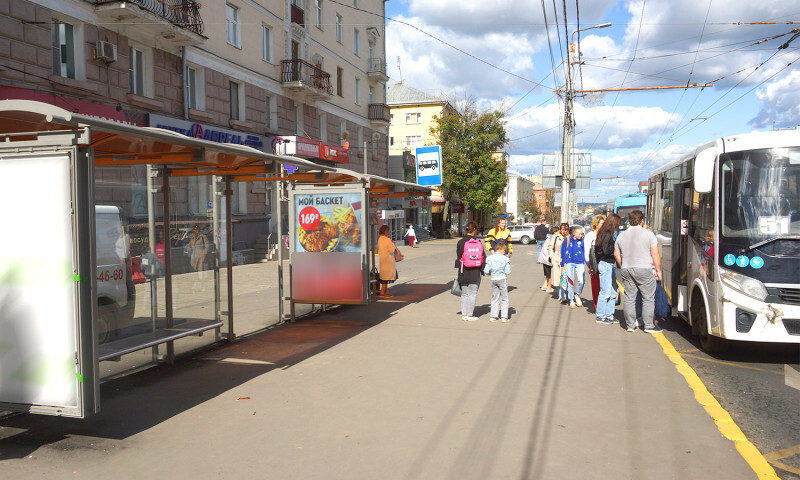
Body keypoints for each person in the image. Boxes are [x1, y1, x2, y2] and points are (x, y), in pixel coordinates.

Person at [614, 210, 663, 333]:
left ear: (629, 221)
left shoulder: (621, 235)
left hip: (626, 269)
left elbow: (616, 253)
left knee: (629, 297)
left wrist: (623, 265)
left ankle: (630, 325)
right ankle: (648, 326)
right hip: (644, 269)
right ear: (642, 221)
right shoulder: (648, 234)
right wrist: (658, 270)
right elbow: (655, 253)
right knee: (648, 298)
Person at [455, 221, 486, 321]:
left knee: (464, 293)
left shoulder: (460, 242)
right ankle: (470, 314)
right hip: (475, 271)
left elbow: (459, 256)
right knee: (473, 293)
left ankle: (464, 314)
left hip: (463, 270)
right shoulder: (477, 242)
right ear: (475, 230)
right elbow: (483, 257)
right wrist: (482, 269)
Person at [594, 213, 621, 325]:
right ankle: (600, 315)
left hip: (609, 264)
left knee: (613, 291)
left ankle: (609, 315)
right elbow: (606, 250)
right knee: (605, 291)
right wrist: (616, 250)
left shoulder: (606, 233)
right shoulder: (607, 234)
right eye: (618, 223)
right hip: (606, 264)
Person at [484, 242, 511, 323]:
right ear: (502, 249)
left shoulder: (489, 258)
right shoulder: (505, 259)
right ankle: (504, 317)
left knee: (494, 298)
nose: (505, 252)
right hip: (502, 278)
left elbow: (486, 270)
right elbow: (508, 271)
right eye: (505, 251)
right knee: (504, 298)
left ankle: (493, 316)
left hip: (493, 279)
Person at [560, 225, 586, 308]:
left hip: (579, 263)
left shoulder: (582, 241)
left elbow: (585, 252)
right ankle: (571, 300)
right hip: (569, 262)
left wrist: (586, 263)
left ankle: (577, 295)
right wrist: (562, 265)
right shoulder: (567, 240)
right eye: (579, 234)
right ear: (573, 233)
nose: (580, 235)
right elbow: (563, 252)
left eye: (581, 234)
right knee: (570, 282)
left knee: (581, 281)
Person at [584, 214, 606, 309]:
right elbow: (587, 251)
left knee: (604, 285)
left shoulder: (605, 235)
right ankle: (597, 306)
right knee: (596, 285)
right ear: (596, 224)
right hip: (594, 263)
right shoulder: (590, 235)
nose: (604, 225)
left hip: (604, 262)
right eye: (602, 223)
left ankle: (604, 306)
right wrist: (590, 264)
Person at [378, 224, 401, 297]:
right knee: (387, 277)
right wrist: (393, 244)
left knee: (384, 276)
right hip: (388, 260)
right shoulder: (387, 240)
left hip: (383, 260)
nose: (389, 232)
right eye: (388, 231)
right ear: (386, 231)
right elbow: (391, 250)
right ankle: (382, 292)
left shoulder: (380, 239)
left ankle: (386, 291)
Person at [549, 223, 569, 302]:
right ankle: (561, 295)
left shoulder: (569, 238)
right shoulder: (556, 237)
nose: (564, 231)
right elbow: (550, 246)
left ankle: (563, 295)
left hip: (566, 260)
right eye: (563, 229)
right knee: (558, 277)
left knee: (564, 277)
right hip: (557, 259)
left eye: (566, 230)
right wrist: (552, 256)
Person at [537, 226, 557, 292]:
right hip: (547, 258)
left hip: (544, 257)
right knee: (549, 273)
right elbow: (550, 249)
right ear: (554, 232)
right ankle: (549, 287)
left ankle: (545, 285)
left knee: (547, 273)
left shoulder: (549, 238)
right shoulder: (552, 239)